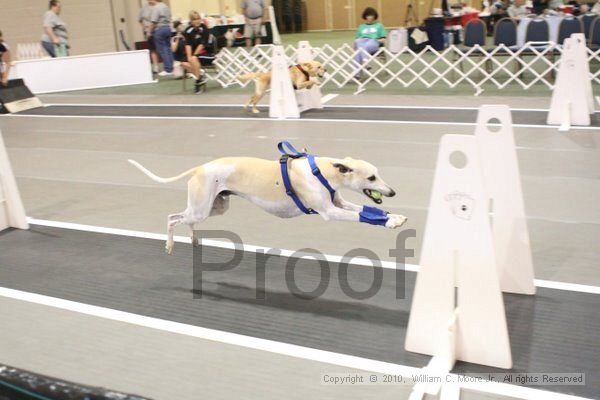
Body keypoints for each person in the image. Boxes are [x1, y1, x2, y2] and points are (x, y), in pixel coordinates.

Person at [354, 7, 386, 78]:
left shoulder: (379, 26)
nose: (370, 17)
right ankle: (358, 73)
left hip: (373, 43)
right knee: (358, 43)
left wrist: (376, 40)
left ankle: (362, 65)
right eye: (368, 15)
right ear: (365, 16)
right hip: (362, 43)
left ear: (375, 16)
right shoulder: (361, 27)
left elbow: (383, 39)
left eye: (372, 15)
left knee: (360, 49)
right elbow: (357, 40)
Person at [184, 11, 210, 93]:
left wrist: (194, 55)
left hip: (206, 53)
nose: (197, 21)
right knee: (183, 63)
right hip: (194, 55)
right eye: (195, 19)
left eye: (198, 18)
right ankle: (200, 76)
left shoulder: (204, 28)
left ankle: (197, 82)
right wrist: (189, 57)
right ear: (191, 21)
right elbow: (188, 45)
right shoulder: (188, 30)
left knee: (193, 59)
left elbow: (202, 44)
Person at [150, 0, 174, 76]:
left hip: (160, 30)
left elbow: (154, 22)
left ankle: (168, 69)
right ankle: (172, 68)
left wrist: (149, 31)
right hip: (167, 28)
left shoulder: (156, 7)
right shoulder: (166, 6)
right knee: (168, 49)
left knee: (163, 50)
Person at [139, 0, 159, 74]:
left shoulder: (158, 6)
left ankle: (168, 67)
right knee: (152, 49)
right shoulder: (143, 8)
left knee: (161, 48)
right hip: (148, 31)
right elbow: (140, 20)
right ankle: (156, 67)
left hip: (158, 30)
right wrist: (144, 28)